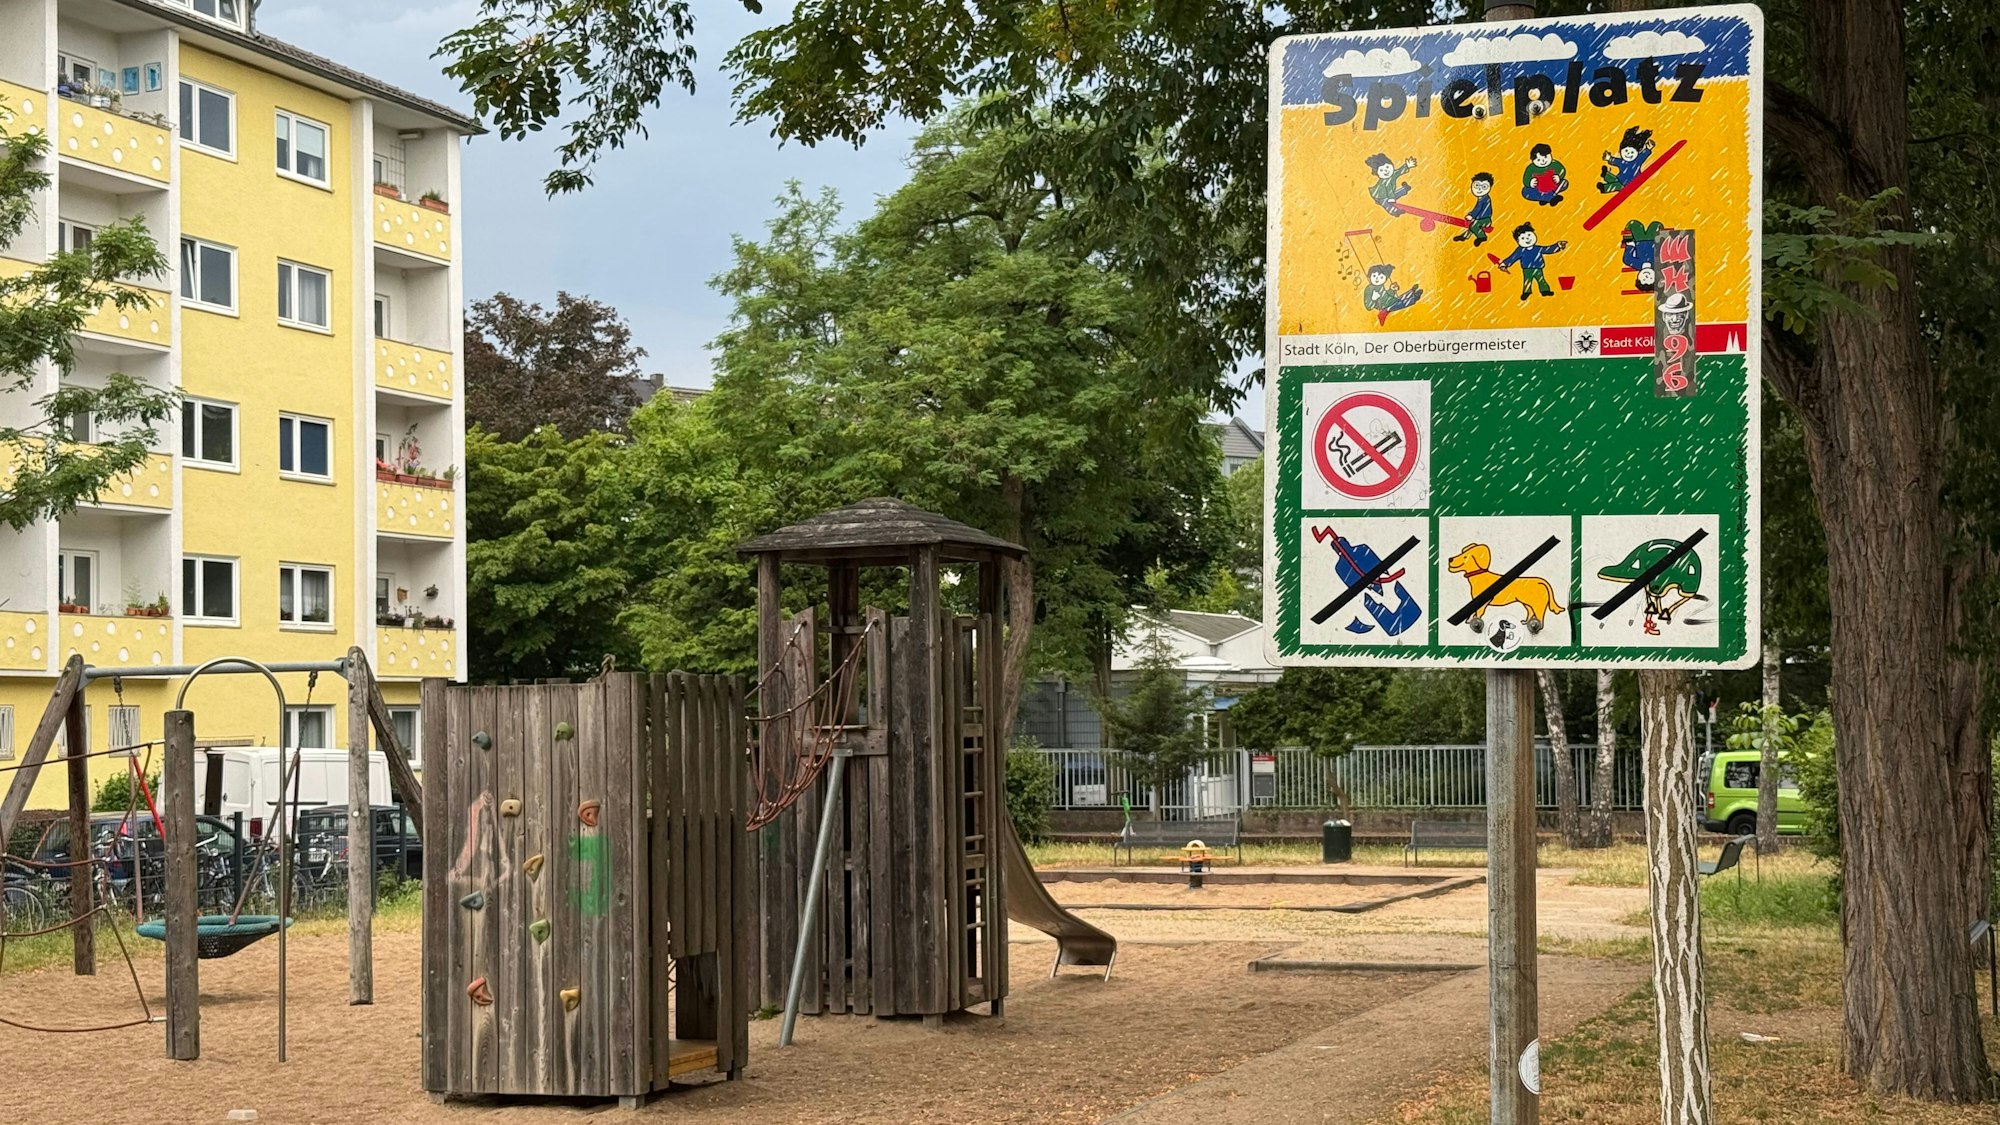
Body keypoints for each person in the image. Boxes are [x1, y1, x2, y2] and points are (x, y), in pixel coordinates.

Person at [1495, 222, 1569, 301]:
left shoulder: (1537, 248)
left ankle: (1545, 291)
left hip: (1538, 268)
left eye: (1529, 235)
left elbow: (1548, 249)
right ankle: (1527, 292)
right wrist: (1505, 264)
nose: (1527, 239)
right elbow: (1512, 258)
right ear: (1518, 241)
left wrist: (1558, 246)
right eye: (1522, 238)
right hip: (1527, 269)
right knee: (1527, 280)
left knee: (1541, 280)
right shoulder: (1520, 250)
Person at [1598, 127, 1655, 194]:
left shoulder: (1637, 160)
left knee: (1617, 185)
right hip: (1621, 179)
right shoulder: (1622, 161)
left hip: (1631, 183)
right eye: (1626, 151)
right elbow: (1615, 161)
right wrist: (1609, 158)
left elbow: (1644, 155)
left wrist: (1648, 148)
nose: (1628, 154)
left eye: (1632, 152)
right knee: (1615, 180)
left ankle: (1604, 188)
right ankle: (1606, 175)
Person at [1452, 172, 1495, 246]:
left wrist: (1472, 216)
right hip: (1481, 219)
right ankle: (1464, 236)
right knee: (1473, 225)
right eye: (1477, 185)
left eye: (1484, 187)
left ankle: (1482, 237)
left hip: (1486, 220)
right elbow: (1477, 209)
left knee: (1474, 225)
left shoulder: (1485, 199)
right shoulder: (1481, 198)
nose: (1479, 189)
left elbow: (1479, 209)